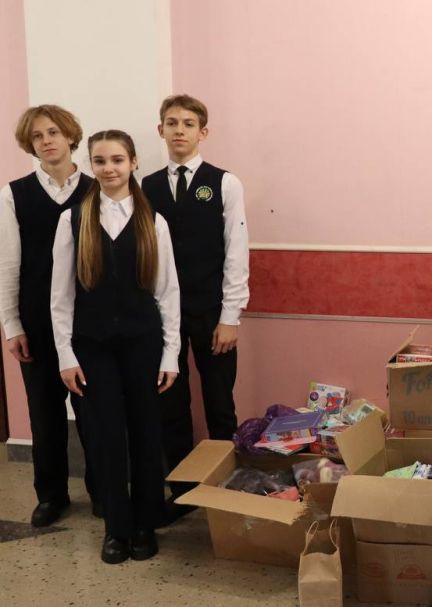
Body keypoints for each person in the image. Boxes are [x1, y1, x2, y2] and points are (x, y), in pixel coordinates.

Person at [51, 129, 180, 564]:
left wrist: (170, 354)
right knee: (106, 435)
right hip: (93, 347)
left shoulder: (153, 221)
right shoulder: (72, 220)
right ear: (91, 165)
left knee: (146, 432)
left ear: (133, 163)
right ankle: (116, 528)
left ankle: (145, 524)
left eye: (118, 160)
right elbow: (61, 297)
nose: (109, 169)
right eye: (101, 161)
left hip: (143, 343)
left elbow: (168, 293)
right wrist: (66, 355)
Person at [140, 94, 249, 518]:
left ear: (203, 132)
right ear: (161, 130)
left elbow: (236, 251)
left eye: (188, 123)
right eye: (172, 123)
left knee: (220, 403)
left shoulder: (224, 182)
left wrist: (230, 316)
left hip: (211, 313)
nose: (179, 130)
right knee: (171, 403)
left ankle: (226, 486)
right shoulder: (145, 186)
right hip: (162, 315)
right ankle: (183, 491)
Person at [0, 105, 99, 526]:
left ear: (71, 136)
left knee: (94, 413)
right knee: (44, 413)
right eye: (38, 136)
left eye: (53, 132)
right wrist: (12, 324)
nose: (46, 141)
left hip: (90, 321)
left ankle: (103, 490)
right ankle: (51, 495)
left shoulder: (97, 189)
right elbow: (8, 264)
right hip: (37, 320)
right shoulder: (13, 194)